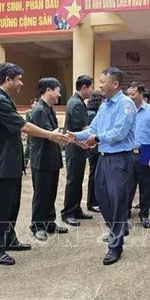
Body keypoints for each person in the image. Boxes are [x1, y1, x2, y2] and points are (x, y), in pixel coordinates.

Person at [0, 62, 68, 266]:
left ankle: (8, 239)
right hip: (1, 163)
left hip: (10, 163)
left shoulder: (5, 99)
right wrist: (50, 134)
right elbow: (23, 126)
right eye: (19, 79)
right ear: (8, 80)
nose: (21, 83)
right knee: (0, 207)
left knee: (12, 204)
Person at [68, 67, 136, 266]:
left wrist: (96, 138)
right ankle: (119, 228)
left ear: (115, 84)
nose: (99, 86)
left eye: (102, 82)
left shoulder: (126, 104)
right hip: (104, 158)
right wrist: (74, 136)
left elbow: (119, 133)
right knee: (102, 197)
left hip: (119, 159)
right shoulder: (105, 105)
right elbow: (93, 128)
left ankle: (115, 246)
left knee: (117, 202)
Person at [29, 77, 68, 241]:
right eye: (58, 90)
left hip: (51, 158)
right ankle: (37, 225)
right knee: (41, 194)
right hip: (42, 159)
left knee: (51, 192)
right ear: (48, 90)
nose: (59, 95)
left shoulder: (48, 108)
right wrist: (67, 137)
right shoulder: (39, 110)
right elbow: (50, 134)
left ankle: (49, 221)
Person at [127, 82, 150, 225]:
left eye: (133, 94)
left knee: (146, 186)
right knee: (128, 185)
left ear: (141, 94)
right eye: (128, 94)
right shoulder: (126, 110)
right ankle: (126, 211)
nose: (130, 97)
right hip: (128, 152)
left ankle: (144, 214)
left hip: (146, 151)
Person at [61, 75, 94, 226]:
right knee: (73, 180)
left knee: (78, 179)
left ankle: (76, 209)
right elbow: (82, 128)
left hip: (78, 146)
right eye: (91, 87)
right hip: (75, 147)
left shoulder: (77, 101)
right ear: (84, 87)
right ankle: (68, 212)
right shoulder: (76, 104)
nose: (92, 91)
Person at [86, 91, 104, 213]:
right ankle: (93, 201)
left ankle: (94, 201)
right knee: (95, 175)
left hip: (94, 148)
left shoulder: (90, 112)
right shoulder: (93, 114)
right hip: (95, 147)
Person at [24, 98, 38, 167]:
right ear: (32, 104)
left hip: (37, 132)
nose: (36, 105)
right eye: (35, 104)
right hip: (30, 131)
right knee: (28, 147)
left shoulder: (38, 112)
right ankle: (25, 161)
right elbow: (27, 122)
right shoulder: (28, 112)